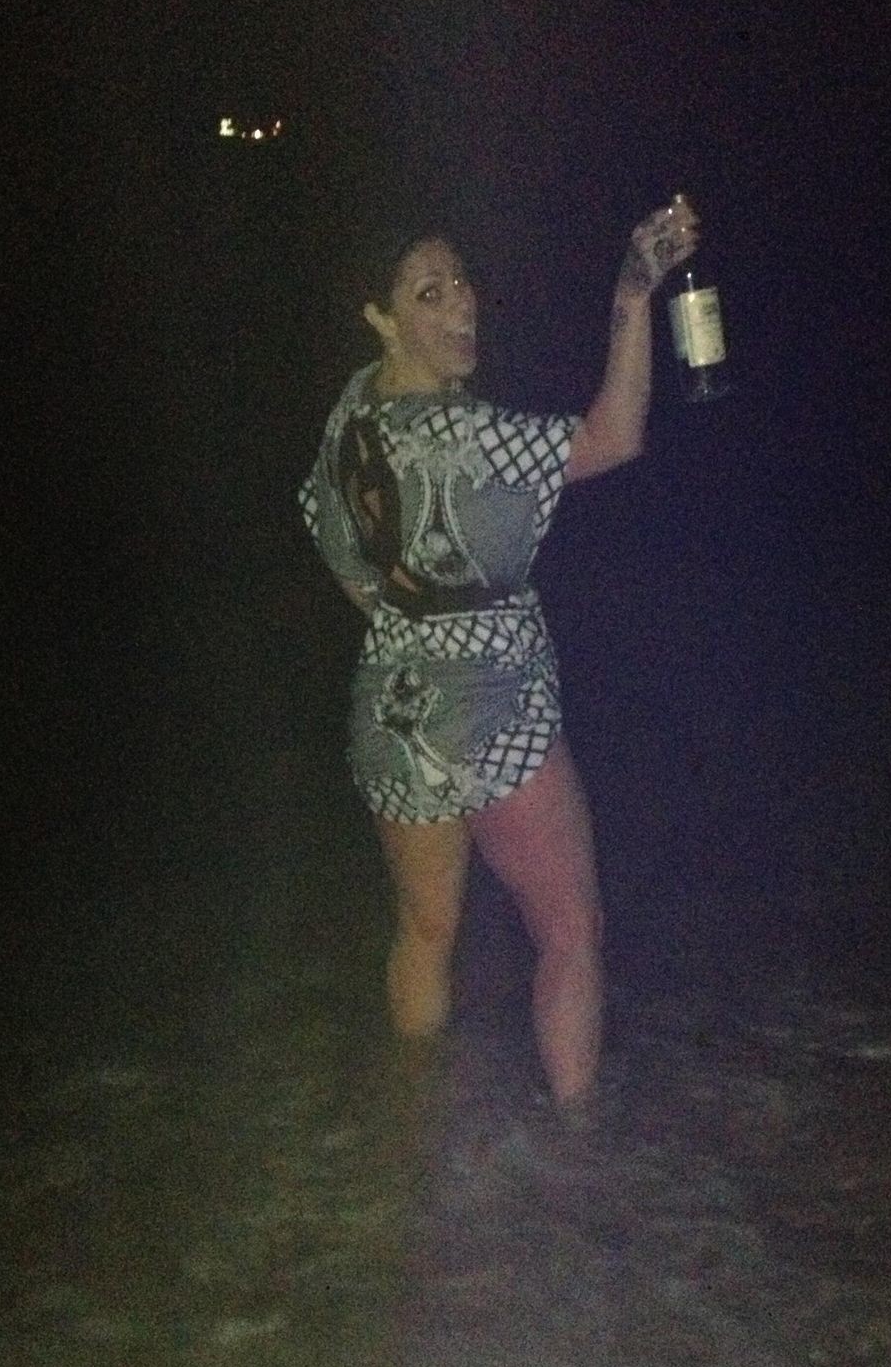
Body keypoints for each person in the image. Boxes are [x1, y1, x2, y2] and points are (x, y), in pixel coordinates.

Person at [298, 197, 699, 1126]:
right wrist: (633, 293)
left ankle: (410, 1137)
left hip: (395, 709)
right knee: (569, 931)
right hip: (497, 703)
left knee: (424, 931)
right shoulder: (467, 440)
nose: (460, 305)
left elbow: (327, 529)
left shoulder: (354, 411)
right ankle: (576, 1147)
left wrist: (409, 619)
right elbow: (615, 434)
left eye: (460, 282)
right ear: (380, 316)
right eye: (428, 294)